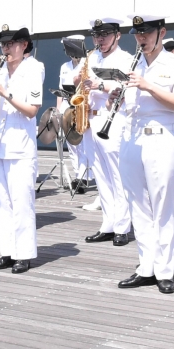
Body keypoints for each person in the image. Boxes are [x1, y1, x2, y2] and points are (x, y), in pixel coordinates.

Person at [116, 14, 174, 295]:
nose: (141, 38)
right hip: (131, 137)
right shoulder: (131, 64)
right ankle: (145, 267)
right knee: (137, 206)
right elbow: (129, 103)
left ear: (162, 33)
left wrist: (148, 85)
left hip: (161, 138)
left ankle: (164, 271)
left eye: (147, 33)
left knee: (162, 207)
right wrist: (115, 98)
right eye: (138, 34)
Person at [0, 25, 45, 274]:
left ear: (24, 45)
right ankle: (7, 251)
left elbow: (31, 110)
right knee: (0, 202)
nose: (6, 49)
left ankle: (23, 254)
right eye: (3, 45)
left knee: (21, 203)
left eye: (11, 44)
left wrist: (5, 93)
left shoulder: (34, 68)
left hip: (20, 147)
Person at [80, 17, 136, 244]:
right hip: (91, 119)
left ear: (117, 35)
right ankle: (108, 224)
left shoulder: (126, 59)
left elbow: (127, 87)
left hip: (113, 118)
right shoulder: (92, 57)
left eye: (105, 35)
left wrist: (100, 85)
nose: (100, 40)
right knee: (101, 176)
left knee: (117, 174)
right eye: (96, 36)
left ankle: (122, 227)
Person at [58, 35, 95, 194]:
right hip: (67, 105)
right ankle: (77, 175)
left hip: (81, 106)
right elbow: (61, 89)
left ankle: (84, 177)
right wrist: (58, 109)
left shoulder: (87, 62)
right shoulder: (64, 66)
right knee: (72, 143)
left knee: (83, 143)